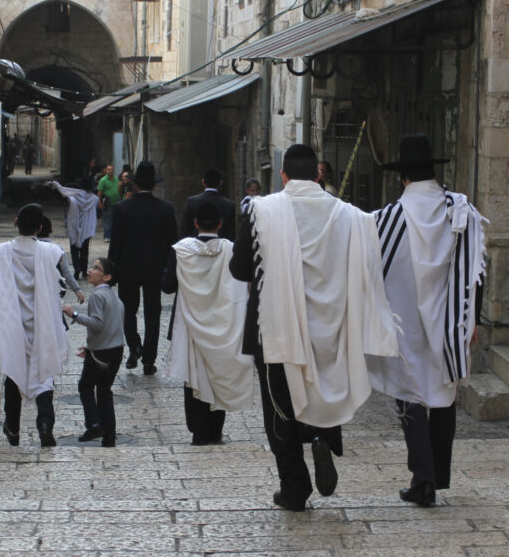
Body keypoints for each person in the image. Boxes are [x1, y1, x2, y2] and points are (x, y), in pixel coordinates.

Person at [230, 144, 398, 512]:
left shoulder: (261, 210)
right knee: (323, 382)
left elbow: (240, 269)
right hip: (329, 323)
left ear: (283, 176)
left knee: (279, 408)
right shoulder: (348, 215)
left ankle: (294, 488)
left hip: (273, 326)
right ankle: (322, 435)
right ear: (319, 174)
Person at [366, 134, 487, 507]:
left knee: (412, 395)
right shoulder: (460, 211)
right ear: (432, 173)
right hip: (450, 319)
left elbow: (367, 264)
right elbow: (477, 269)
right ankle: (437, 475)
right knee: (443, 392)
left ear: (403, 177)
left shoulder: (388, 219)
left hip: (406, 321)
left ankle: (423, 478)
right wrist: (473, 319)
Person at [163, 203, 252, 445]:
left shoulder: (181, 250)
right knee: (218, 372)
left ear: (195, 223)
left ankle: (198, 430)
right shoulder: (231, 249)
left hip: (192, 322)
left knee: (194, 373)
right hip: (223, 322)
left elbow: (167, 285)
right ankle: (215, 431)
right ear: (220, 224)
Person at [0, 203, 70, 447]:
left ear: (15, 223)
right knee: (44, 372)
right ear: (41, 227)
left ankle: (12, 428)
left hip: (12, 322)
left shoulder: (1, 252)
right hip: (41, 322)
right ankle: (45, 423)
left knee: (13, 373)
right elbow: (60, 287)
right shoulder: (50, 252)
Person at [108, 161, 178, 375]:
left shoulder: (122, 208)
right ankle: (149, 359)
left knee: (128, 312)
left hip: (128, 270)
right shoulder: (166, 209)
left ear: (135, 184)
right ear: (154, 185)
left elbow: (116, 243)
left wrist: (111, 272)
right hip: (155, 271)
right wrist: (170, 270)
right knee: (152, 314)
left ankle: (134, 347)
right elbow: (172, 244)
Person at [63, 258, 124, 447]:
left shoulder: (98, 295)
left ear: (107, 277)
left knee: (85, 386)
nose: (90, 270)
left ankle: (95, 424)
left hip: (102, 351)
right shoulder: (115, 298)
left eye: (96, 268)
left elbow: (97, 323)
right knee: (104, 390)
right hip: (116, 349)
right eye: (92, 267)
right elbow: (113, 326)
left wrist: (74, 315)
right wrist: (90, 347)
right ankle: (109, 435)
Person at [45, 180, 99, 280]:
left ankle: (76, 271)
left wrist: (55, 184)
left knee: (74, 249)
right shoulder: (94, 199)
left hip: (74, 227)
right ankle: (84, 270)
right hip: (86, 229)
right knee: (85, 249)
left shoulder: (73, 197)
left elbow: (63, 191)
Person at [37, 215, 85, 304]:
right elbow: (66, 272)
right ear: (50, 230)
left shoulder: (24, 248)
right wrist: (77, 290)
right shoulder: (56, 248)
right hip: (53, 291)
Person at [179, 168, 236, 241]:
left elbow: (185, 231)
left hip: (195, 248)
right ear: (220, 183)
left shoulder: (191, 202)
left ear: (203, 182)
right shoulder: (229, 205)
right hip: (220, 248)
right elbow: (230, 234)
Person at [97, 165, 121, 243]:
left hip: (116, 203)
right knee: (107, 219)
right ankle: (107, 236)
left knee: (115, 220)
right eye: (108, 169)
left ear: (113, 170)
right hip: (107, 203)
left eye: (111, 169)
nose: (110, 171)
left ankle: (113, 235)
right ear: (106, 171)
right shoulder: (103, 180)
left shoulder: (117, 179)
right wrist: (99, 202)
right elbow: (99, 192)